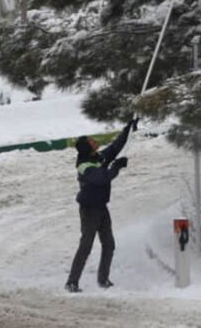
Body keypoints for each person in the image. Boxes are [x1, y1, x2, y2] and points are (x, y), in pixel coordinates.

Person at [65, 117, 137, 292]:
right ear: (87, 148)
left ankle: (103, 279)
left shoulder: (97, 158)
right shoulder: (84, 166)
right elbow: (102, 178)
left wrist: (128, 129)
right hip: (89, 211)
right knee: (86, 246)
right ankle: (72, 282)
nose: (95, 141)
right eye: (91, 141)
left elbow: (114, 148)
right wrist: (117, 167)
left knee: (109, 244)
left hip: (102, 208)